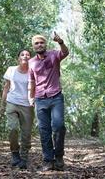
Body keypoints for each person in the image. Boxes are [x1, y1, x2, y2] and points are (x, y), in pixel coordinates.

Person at [28, 32, 69, 171]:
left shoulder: (54, 54)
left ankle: (59, 157)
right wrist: (31, 96)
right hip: (40, 99)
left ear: (45, 44)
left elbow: (65, 52)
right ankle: (48, 161)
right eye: (36, 43)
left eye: (41, 42)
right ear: (33, 46)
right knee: (44, 131)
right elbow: (32, 81)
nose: (39, 45)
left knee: (58, 126)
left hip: (56, 96)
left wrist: (61, 41)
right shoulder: (31, 62)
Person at [0, 49, 34, 169]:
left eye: (28, 55)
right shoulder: (11, 69)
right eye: (22, 54)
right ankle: (15, 153)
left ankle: (24, 158)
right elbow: (6, 87)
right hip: (12, 102)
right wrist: (2, 105)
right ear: (18, 58)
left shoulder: (33, 71)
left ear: (31, 58)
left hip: (27, 105)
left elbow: (37, 88)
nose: (25, 56)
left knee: (26, 134)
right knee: (13, 128)